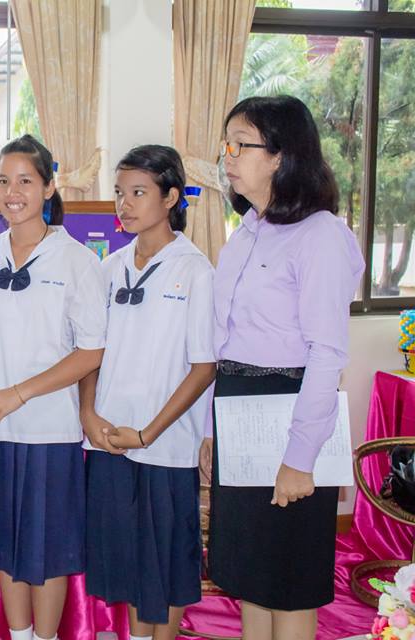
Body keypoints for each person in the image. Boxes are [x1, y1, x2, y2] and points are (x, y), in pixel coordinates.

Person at [202, 95, 364, 640]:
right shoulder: (246, 232)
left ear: (280, 156)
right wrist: (211, 430)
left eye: (240, 145)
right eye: (226, 145)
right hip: (239, 408)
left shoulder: (320, 235)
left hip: (291, 411)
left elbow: (327, 353)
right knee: (250, 573)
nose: (227, 156)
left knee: (289, 578)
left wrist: (300, 457)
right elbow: (225, 341)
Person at [0, 134, 107, 640]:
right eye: (2, 181)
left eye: (24, 181)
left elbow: (91, 352)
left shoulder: (77, 260)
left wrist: (20, 392)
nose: (12, 192)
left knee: (46, 548)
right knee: (4, 543)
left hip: (48, 430)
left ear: (48, 187)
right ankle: (19, 634)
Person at [80, 145, 216, 640]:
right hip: (110, 441)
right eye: (120, 193)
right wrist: (89, 414)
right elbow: (89, 351)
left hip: (165, 445)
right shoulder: (109, 268)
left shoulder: (195, 270)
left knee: (167, 563)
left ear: (171, 197)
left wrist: (149, 433)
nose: (125, 204)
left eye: (138, 192)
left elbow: (204, 367)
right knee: (128, 560)